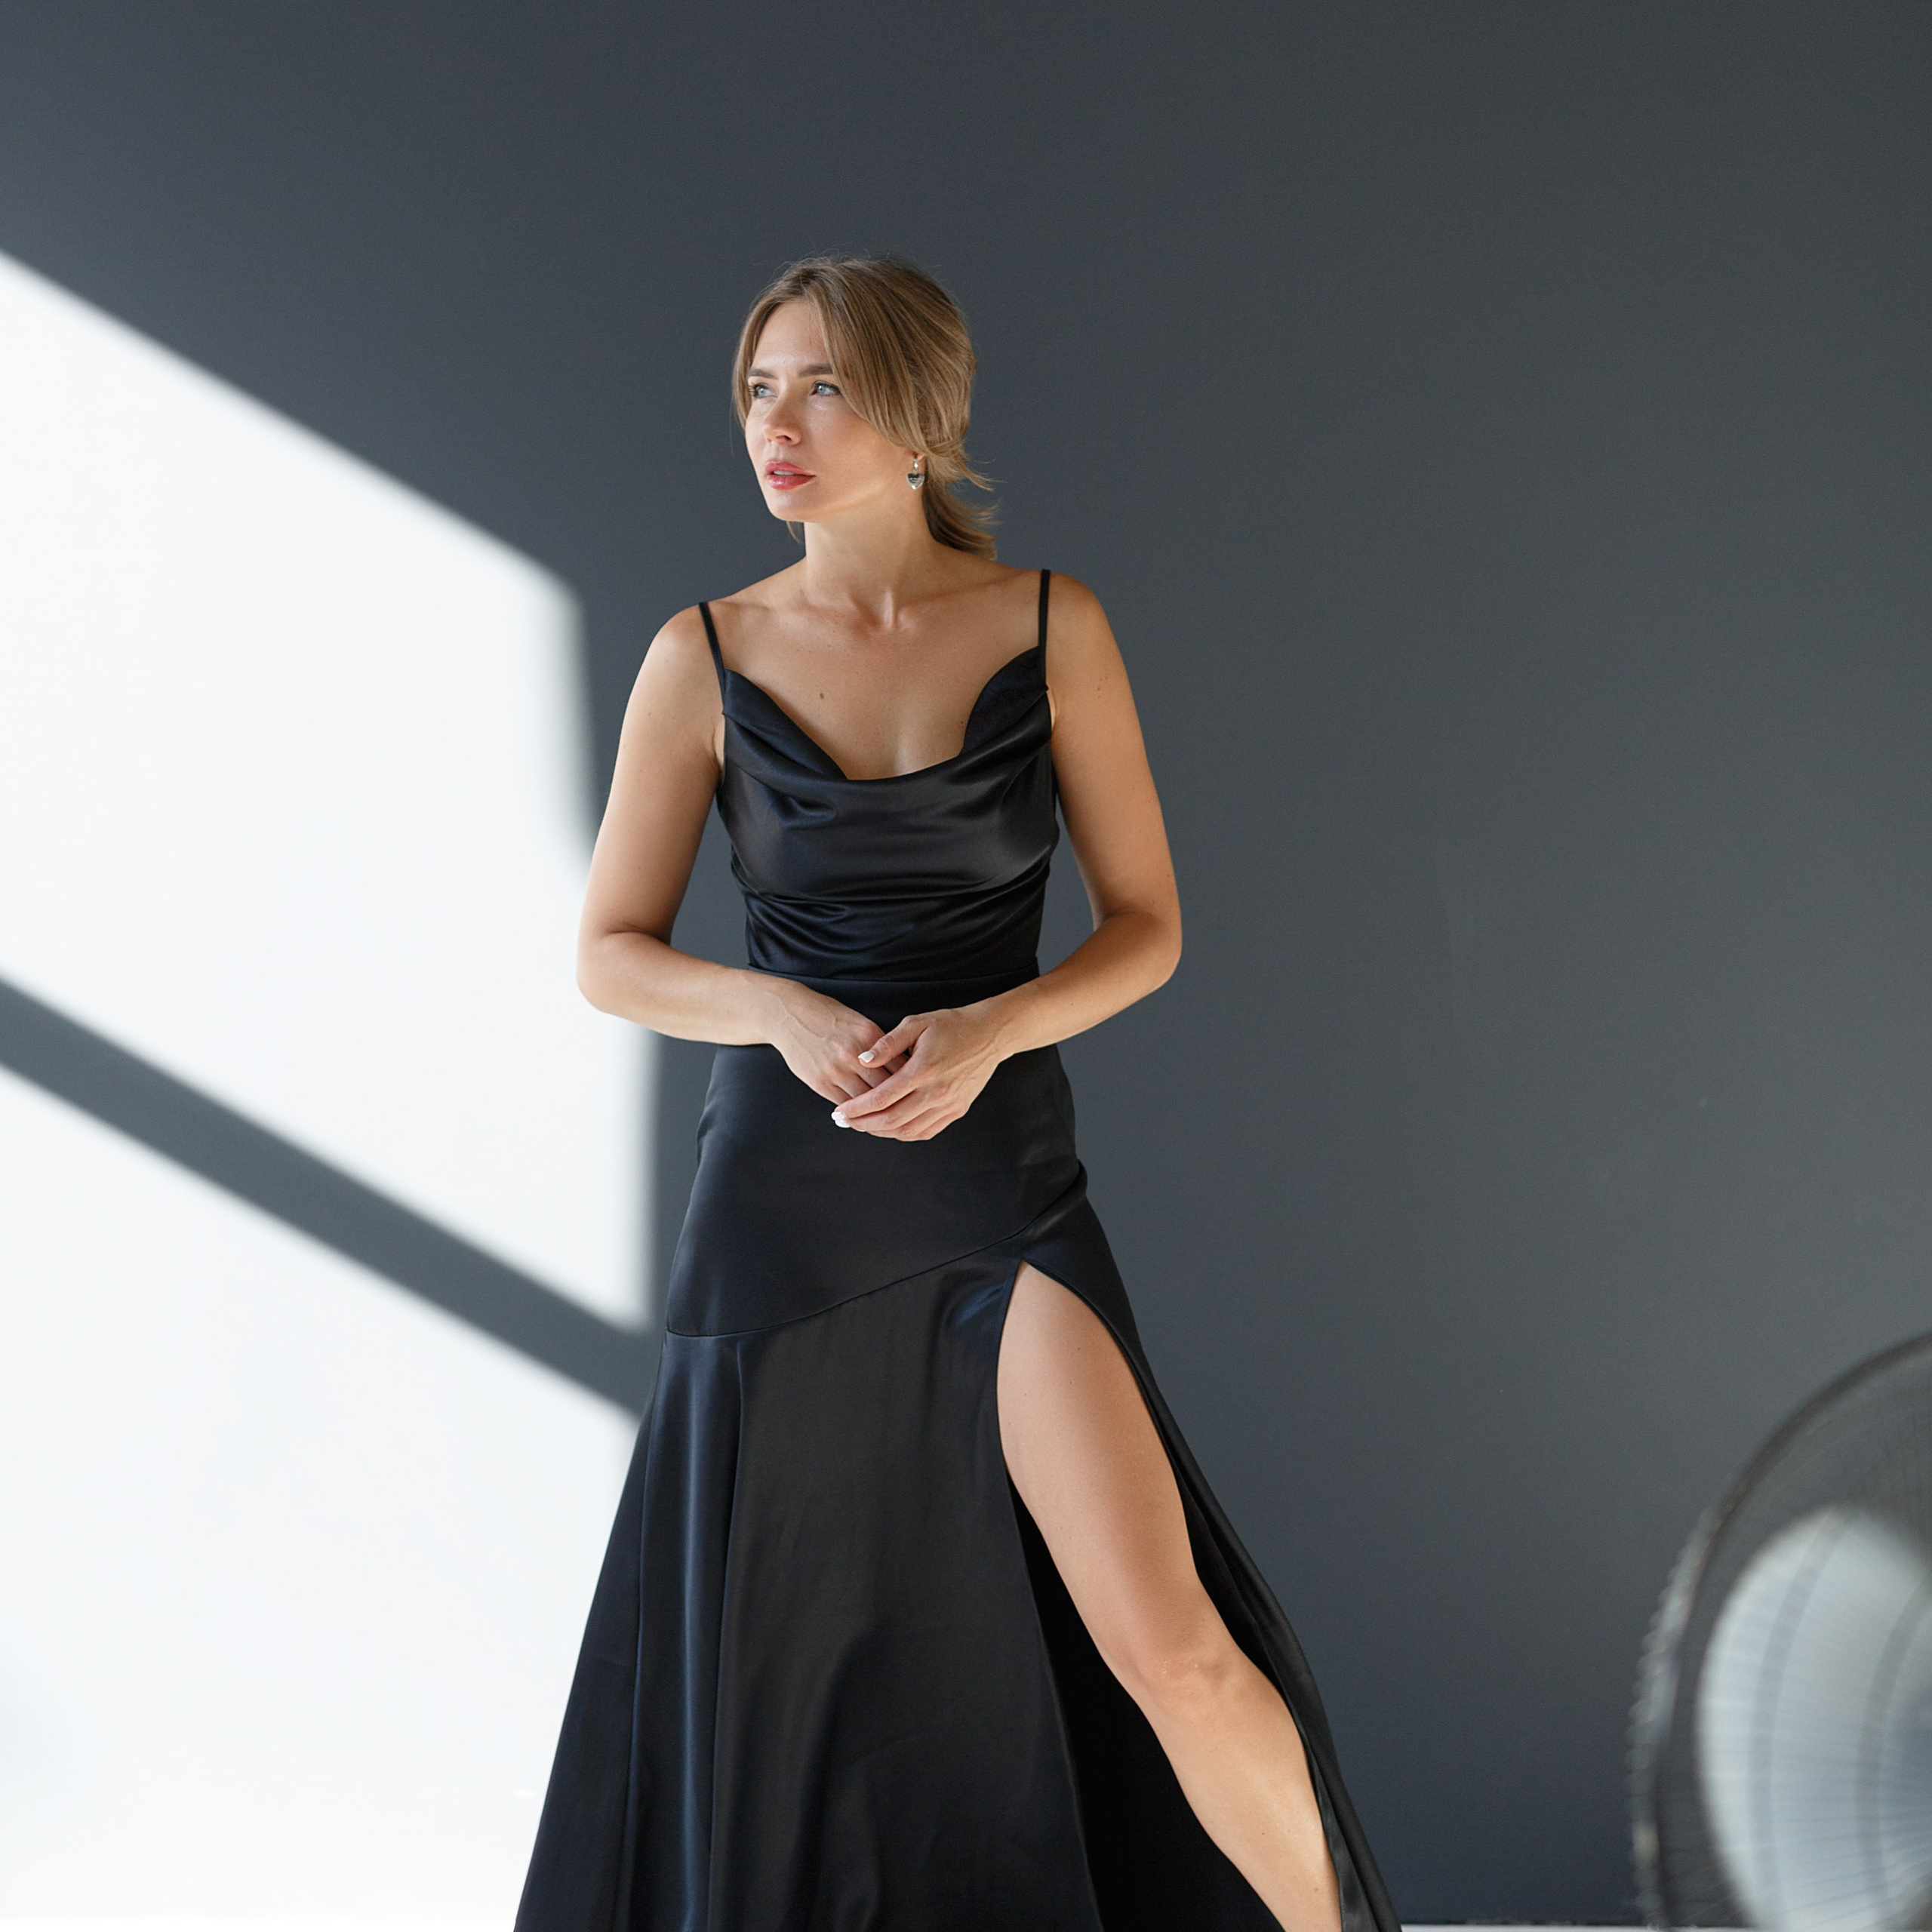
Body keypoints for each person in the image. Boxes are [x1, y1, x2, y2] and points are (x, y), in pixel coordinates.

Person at [513, 254, 1398, 1932]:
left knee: (1172, 1645)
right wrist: (772, 1007)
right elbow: (609, 955)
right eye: (758, 388)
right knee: (784, 1690)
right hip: (780, 1206)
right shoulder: (702, 653)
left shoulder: (1053, 625)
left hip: (997, 1184)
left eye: (822, 385)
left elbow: (1146, 927)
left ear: (919, 415)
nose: (776, 423)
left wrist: (992, 1027)